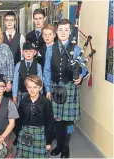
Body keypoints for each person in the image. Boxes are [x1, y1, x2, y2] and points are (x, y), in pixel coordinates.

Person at [43, 19, 88, 158]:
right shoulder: (51, 49)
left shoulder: (76, 49)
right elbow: (47, 71)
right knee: (57, 119)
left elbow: (84, 69)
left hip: (69, 87)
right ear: (57, 32)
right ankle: (59, 145)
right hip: (55, 87)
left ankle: (66, 148)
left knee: (68, 120)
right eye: (60, 30)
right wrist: (48, 89)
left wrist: (80, 77)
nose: (63, 32)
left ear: (70, 32)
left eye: (66, 30)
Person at [15, 75, 54, 158]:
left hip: (40, 134)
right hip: (25, 133)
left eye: (35, 87)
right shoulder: (23, 101)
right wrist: (19, 134)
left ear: (40, 87)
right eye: (29, 87)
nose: (32, 90)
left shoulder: (46, 102)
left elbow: (49, 123)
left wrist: (48, 142)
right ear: (26, 87)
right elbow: (18, 120)